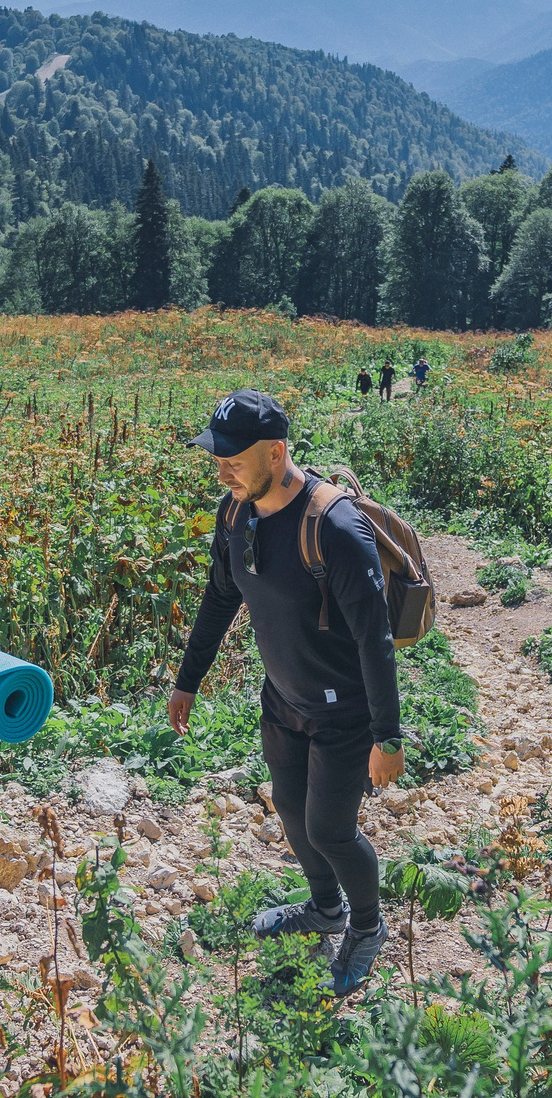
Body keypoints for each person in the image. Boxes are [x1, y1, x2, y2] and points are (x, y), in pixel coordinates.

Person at [167, 390, 403, 997]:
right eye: (215, 458)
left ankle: (369, 926)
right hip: (284, 701)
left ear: (276, 453)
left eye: (233, 459)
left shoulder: (335, 528)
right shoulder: (235, 514)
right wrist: (188, 678)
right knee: (291, 812)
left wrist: (388, 736)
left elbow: (375, 641)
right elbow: (222, 597)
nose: (221, 471)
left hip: (345, 712)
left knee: (331, 830)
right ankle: (326, 910)